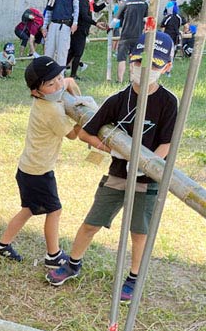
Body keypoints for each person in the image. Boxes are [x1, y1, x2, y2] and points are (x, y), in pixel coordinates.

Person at [47, 33, 178, 303]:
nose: (145, 69)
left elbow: (167, 142)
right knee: (91, 223)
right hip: (118, 174)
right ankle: (73, 264)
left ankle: (133, 278)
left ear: (167, 67)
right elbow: (86, 133)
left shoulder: (168, 102)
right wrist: (115, 150)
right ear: (131, 60)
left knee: (139, 232)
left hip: (148, 179)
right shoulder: (119, 99)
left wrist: (147, 163)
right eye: (140, 61)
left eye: (155, 64)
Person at [0, 56, 83, 265]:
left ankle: (2, 245)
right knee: (55, 210)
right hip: (39, 172)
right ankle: (53, 255)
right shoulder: (50, 110)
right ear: (36, 91)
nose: (58, 84)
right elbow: (72, 135)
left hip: (28, 168)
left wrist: (67, 85)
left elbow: (68, 83)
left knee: (29, 209)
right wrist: (85, 118)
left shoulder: (46, 98)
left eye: (59, 78)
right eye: (51, 84)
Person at [67, 0, 107, 80]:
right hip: (79, 30)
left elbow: (96, 9)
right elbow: (84, 16)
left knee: (72, 52)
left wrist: (106, 3)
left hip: (82, 30)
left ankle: (64, 71)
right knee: (77, 53)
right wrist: (96, 24)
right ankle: (73, 75)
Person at [113, 0, 148, 83]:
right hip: (138, 36)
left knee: (122, 59)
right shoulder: (144, 4)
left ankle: (119, 80)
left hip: (125, 36)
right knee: (134, 58)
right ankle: (132, 79)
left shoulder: (125, 3)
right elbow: (146, 20)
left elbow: (115, 20)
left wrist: (109, 27)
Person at [42, 0, 80, 68]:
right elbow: (49, 10)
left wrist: (75, 22)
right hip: (53, 24)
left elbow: (76, 9)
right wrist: (44, 26)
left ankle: (60, 75)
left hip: (65, 25)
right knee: (49, 51)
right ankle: (47, 75)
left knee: (62, 52)